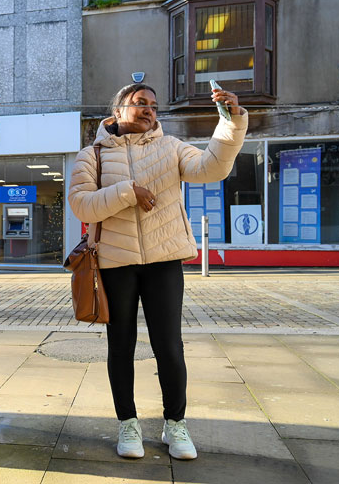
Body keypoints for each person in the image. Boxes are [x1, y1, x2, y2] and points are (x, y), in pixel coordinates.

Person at [68, 83, 247, 460]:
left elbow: (210, 168)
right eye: (139, 104)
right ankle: (127, 424)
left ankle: (175, 424)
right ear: (118, 111)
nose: (149, 110)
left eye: (153, 105)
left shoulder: (172, 148)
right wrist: (127, 192)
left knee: (169, 345)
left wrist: (231, 122)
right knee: (121, 346)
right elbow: (82, 206)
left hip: (164, 260)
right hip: (115, 263)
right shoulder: (92, 155)